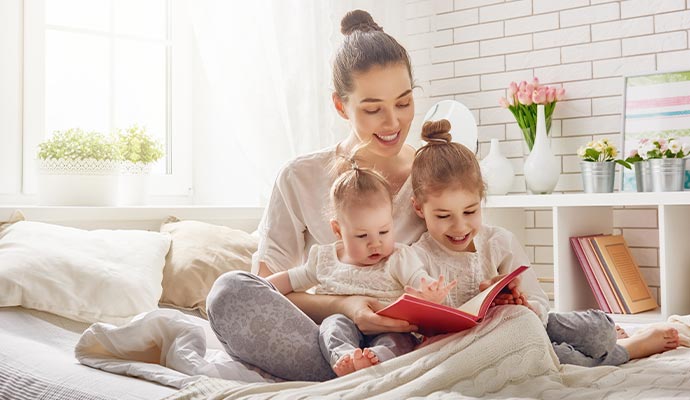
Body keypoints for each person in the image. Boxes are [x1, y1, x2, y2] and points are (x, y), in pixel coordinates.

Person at [206, 9, 427, 381]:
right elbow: (266, 292)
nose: (393, 124)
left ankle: (372, 373)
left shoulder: (435, 173)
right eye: (373, 109)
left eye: (404, 103)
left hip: (418, 339)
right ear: (341, 106)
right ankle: (365, 373)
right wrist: (347, 306)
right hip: (329, 336)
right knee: (229, 294)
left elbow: (469, 265)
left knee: (520, 319)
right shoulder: (300, 178)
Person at [408, 119, 680, 367]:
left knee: (599, 331)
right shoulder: (417, 258)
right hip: (489, 345)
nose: (460, 227)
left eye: (470, 211)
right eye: (443, 216)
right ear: (419, 208)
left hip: (529, 323)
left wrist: (520, 303)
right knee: (553, 358)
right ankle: (629, 349)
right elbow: (421, 335)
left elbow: (540, 304)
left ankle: (613, 337)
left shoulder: (499, 242)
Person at [267, 157, 456, 376]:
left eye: (384, 232)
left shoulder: (398, 258)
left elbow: (419, 280)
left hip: (389, 328)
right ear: (338, 230)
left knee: (399, 342)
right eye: (362, 235)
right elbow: (290, 279)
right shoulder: (325, 259)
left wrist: (431, 292)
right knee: (332, 326)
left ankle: (379, 362)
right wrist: (262, 287)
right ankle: (346, 359)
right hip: (345, 325)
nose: (375, 242)